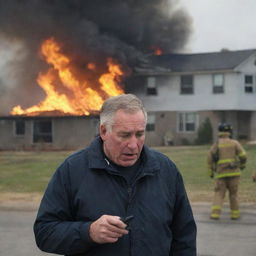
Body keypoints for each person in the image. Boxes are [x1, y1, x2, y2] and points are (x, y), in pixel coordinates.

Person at [34, 94, 197, 256]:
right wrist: (88, 232)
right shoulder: (72, 170)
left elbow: (184, 237)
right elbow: (45, 233)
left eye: (139, 134)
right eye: (125, 135)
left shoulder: (165, 170)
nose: (133, 145)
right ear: (104, 131)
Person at [207, 123, 247, 220]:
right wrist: (242, 166)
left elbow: (209, 158)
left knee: (219, 194)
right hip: (234, 174)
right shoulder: (234, 143)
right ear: (229, 132)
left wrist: (211, 172)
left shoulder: (216, 145)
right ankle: (235, 214)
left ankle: (215, 214)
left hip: (221, 174)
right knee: (234, 194)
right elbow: (243, 156)